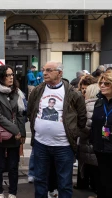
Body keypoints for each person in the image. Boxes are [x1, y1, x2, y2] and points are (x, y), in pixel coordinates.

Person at [27, 61, 87, 198]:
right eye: (43, 70)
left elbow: (81, 118)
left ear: (60, 73)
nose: (44, 73)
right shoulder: (38, 90)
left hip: (64, 146)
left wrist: (72, 133)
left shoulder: (72, 93)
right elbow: (31, 112)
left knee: (64, 183)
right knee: (40, 180)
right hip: (41, 144)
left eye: (49, 70)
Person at [0, 65, 26, 198]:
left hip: (14, 135)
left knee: (13, 165)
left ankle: (12, 192)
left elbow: (21, 114)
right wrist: (15, 129)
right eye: (7, 75)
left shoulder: (16, 91)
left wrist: (22, 132)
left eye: (12, 75)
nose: (11, 77)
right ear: (0, 77)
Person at [91, 71, 112, 198]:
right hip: (102, 150)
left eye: (107, 83)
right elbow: (95, 125)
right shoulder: (99, 102)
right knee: (105, 187)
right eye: (101, 83)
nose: (102, 85)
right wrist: (94, 142)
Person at [74, 84, 100, 198]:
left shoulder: (89, 105)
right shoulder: (100, 104)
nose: (83, 92)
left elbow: (86, 126)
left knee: (88, 167)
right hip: (94, 143)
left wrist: (77, 131)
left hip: (88, 142)